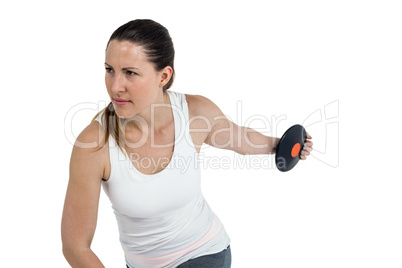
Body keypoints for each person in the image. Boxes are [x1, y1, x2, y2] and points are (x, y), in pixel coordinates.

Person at [61, 19, 313, 268]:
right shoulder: (94, 144)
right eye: (109, 70)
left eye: (130, 73)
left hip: (205, 252)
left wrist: (283, 144)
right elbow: (75, 246)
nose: (116, 86)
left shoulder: (194, 114)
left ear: (163, 76)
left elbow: (240, 139)